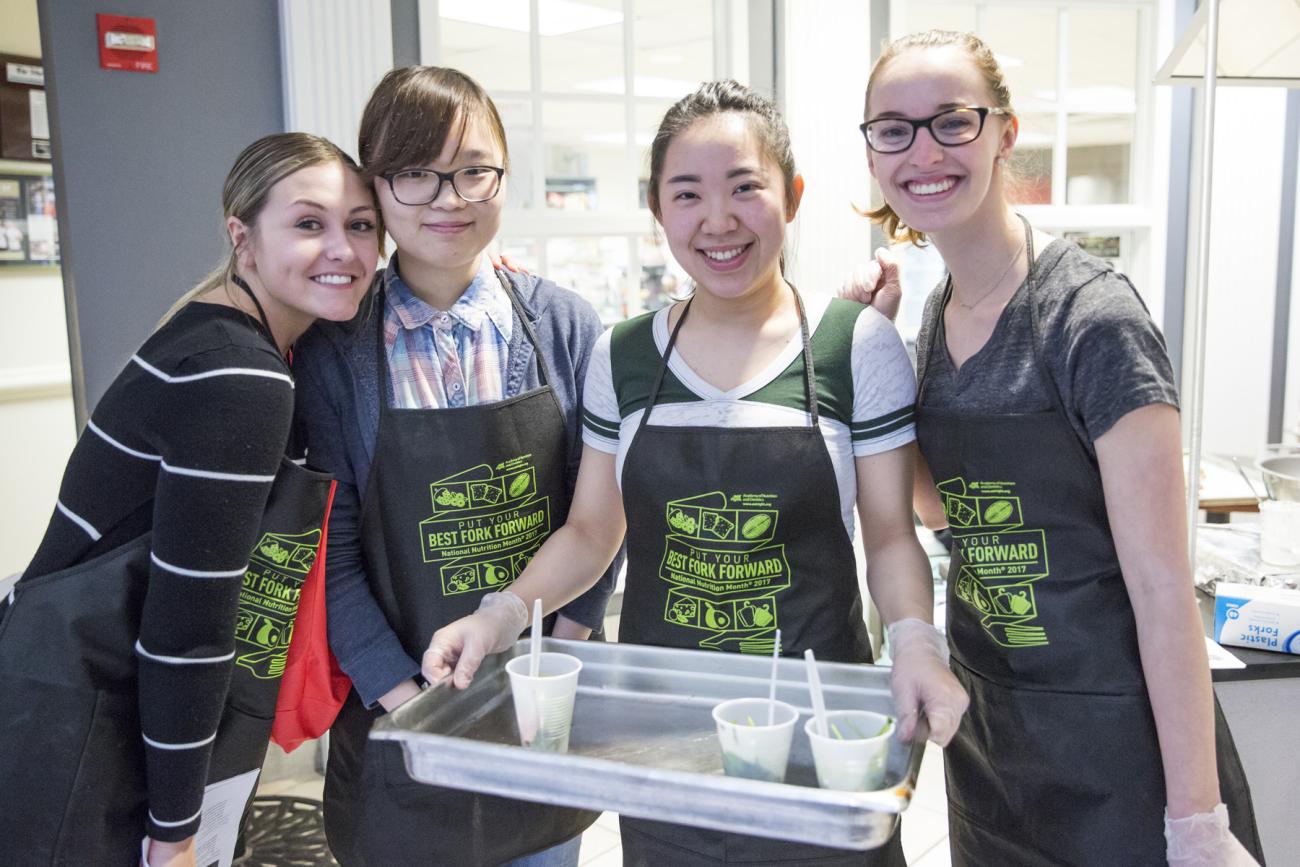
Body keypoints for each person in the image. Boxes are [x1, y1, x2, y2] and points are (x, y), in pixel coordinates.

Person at [426, 79, 968, 867]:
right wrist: (500, 616)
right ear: (658, 209)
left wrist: (916, 640)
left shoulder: (854, 346)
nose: (718, 220)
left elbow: (890, 533)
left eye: (745, 187)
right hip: (668, 741)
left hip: (820, 735)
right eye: (688, 194)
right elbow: (591, 528)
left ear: (793, 195)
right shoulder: (624, 354)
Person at [846, 29, 1264, 867]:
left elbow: (1161, 585)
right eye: (893, 128)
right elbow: (941, 506)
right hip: (994, 740)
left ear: (1004, 133)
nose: (922, 149)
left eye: (952, 121)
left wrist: (1196, 820)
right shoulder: (935, 318)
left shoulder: (1091, 319)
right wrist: (874, 350)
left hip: (1121, 748)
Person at [0, 132, 379, 867]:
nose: (342, 248)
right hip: (88, 730)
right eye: (309, 224)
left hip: (56, 698)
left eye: (360, 225)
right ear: (243, 237)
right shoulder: (241, 377)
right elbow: (187, 627)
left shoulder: (212, 330)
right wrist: (176, 831)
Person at [292, 66, 619, 867]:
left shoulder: (565, 326)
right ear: (375, 184)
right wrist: (414, 711)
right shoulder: (333, 352)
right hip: (397, 710)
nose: (450, 198)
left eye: (474, 169)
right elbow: (329, 558)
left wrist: (563, 656)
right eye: (415, 172)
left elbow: (600, 514)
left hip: (545, 709)